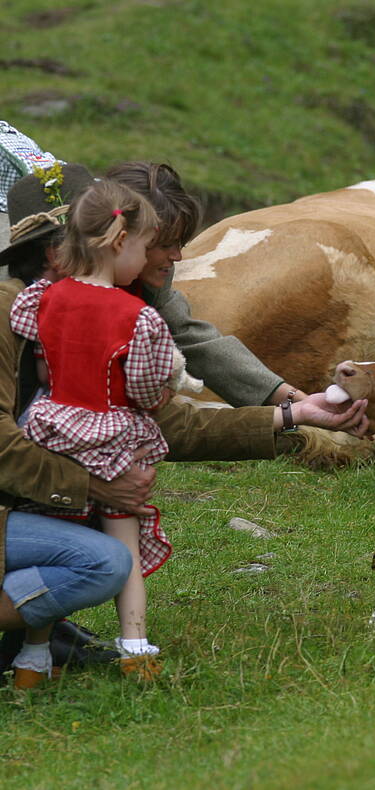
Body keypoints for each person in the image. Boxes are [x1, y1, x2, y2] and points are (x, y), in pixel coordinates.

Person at [0, 164, 368, 688]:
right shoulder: (15, 312)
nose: (175, 257)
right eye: (161, 243)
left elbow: (179, 407)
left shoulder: (111, 306)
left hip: (29, 498)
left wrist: (294, 411)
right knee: (103, 561)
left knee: (95, 539)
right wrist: (91, 482)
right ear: (65, 251)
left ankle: (36, 639)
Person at [10, 178, 181, 679]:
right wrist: (160, 395)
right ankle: (135, 647)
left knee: (56, 524)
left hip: (51, 429)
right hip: (110, 439)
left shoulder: (43, 296)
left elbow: (41, 367)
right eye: (147, 246)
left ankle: (32, 656)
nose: (146, 260)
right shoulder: (138, 317)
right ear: (120, 242)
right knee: (122, 540)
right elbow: (146, 390)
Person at [106, 161, 307, 407]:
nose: (177, 256)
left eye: (180, 243)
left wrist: (293, 400)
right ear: (122, 240)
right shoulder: (63, 291)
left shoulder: (149, 282)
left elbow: (190, 337)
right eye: (165, 245)